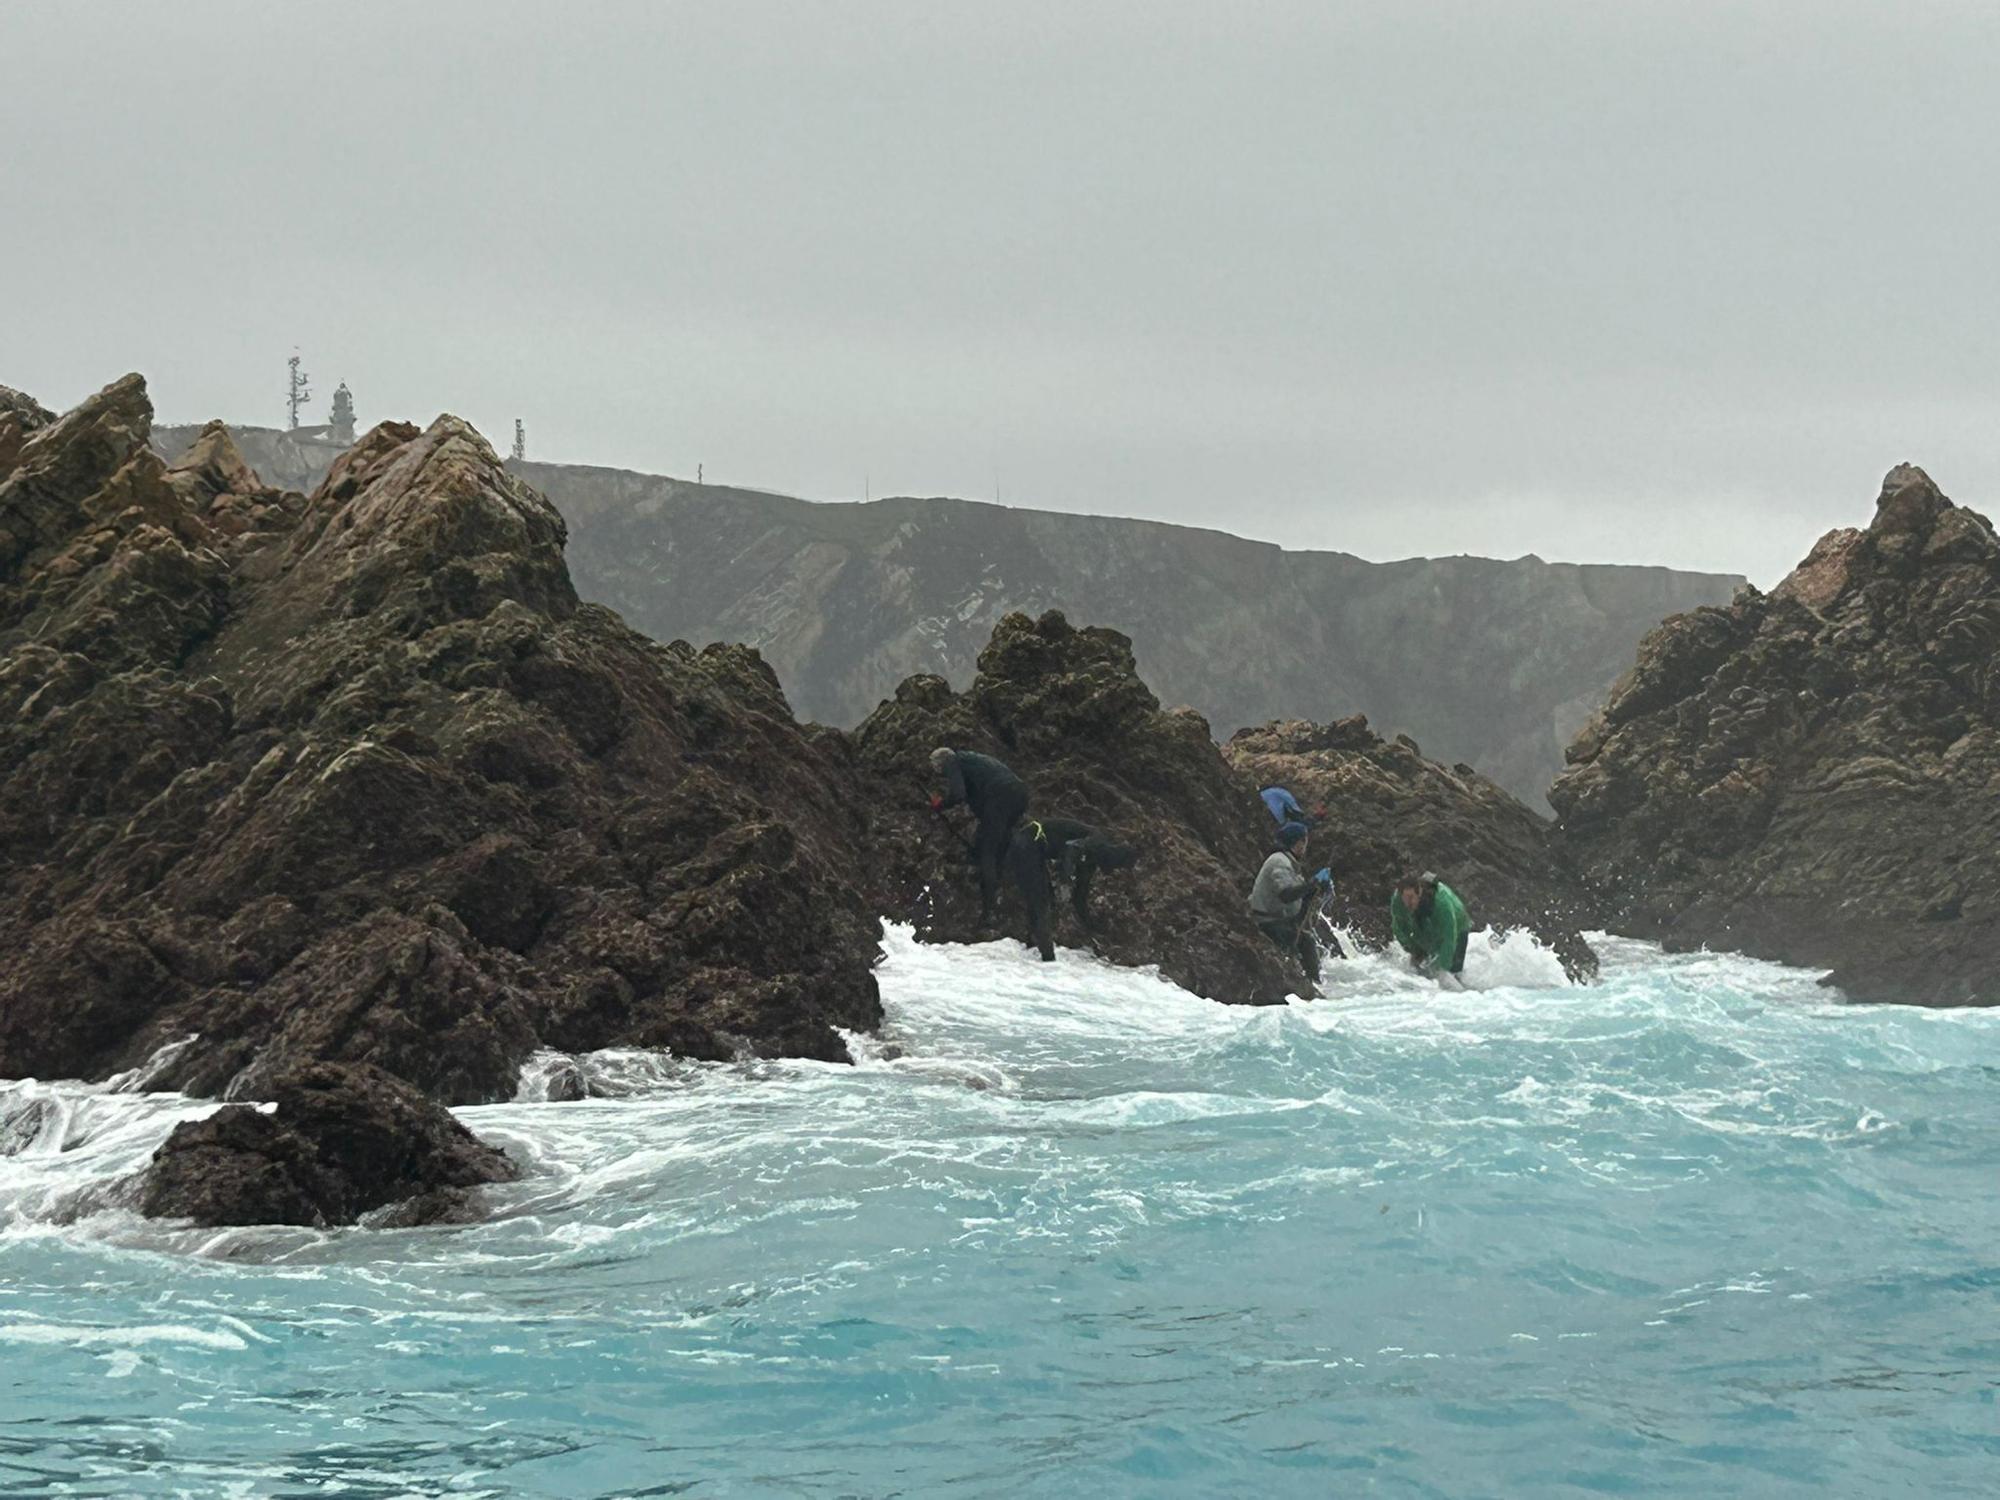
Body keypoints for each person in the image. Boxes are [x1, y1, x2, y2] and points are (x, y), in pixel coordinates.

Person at [1004, 817, 1138, 959]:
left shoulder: (1090, 862)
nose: (1114, 872)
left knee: (1044, 899)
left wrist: (1092, 926)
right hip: (1027, 842)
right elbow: (1070, 849)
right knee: (1041, 901)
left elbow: (1079, 898)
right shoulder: (1096, 841)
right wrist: (1065, 882)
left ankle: (1032, 951)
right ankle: (1047, 961)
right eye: (1119, 867)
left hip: (1034, 849)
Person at [929, 747, 1029, 921]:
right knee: (999, 844)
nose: (939, 773)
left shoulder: (953, 762)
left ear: (941, 763)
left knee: (987, 851)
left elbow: (958, 794)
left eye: (936, 768)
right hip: (1020, 794)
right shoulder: (974, 760)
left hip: (1000, 796)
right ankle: (1008, 888)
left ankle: (989, 908)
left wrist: (940, 804)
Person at [1249, 821, 1332, 989]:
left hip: (1278, 919)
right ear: (1298, 843)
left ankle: (1311, 985)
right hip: (1267, 922)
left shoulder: (1287, 862)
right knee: (1306, 942)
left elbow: (1297, 897)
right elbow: (1286, 895)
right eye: (1304, 842)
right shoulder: (1280, 862)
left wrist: (1315, 889)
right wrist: (1313, 883)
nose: (1305, 846)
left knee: (1305, 940)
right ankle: (1313, 987)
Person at [1390, 872, 1471, 983]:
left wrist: (1443, 971)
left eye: (1410, 897)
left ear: (1419, 891)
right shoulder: (1398, 900)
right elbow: (1399, 928)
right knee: (1420, 967)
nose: (1407, 903)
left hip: (1458, 926)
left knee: (1451, 973)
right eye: (1404, 898)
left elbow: (1449, 938)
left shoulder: (1441, 902)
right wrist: (1412, 948)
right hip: (1427, 923)